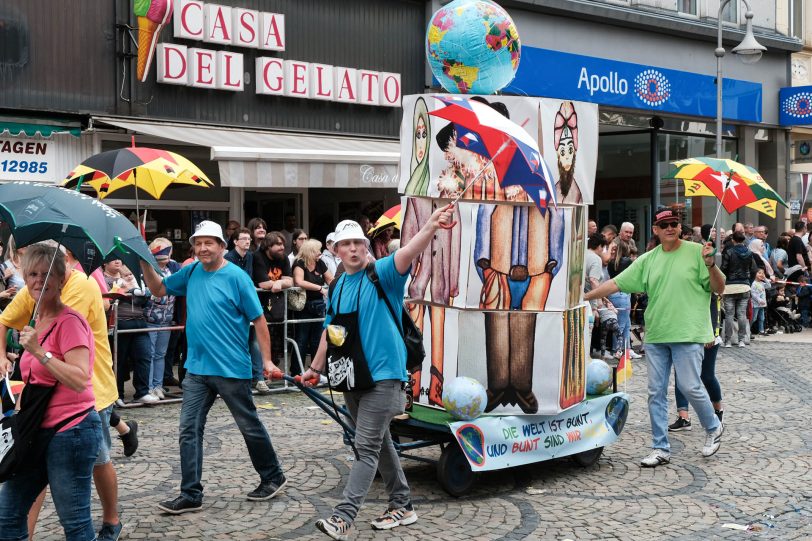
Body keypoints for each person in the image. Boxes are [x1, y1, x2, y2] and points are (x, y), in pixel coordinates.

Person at [302, 206, 455, 540]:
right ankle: (403, 504)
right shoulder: (339, 284)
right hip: (351, 376)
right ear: (335, 250)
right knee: (380, 442)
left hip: (384, 377)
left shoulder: (382, 274)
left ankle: (343, 517)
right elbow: (331, 331)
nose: (354, 249)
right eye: (347, 244)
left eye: (359, 242)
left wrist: (429, 226)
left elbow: (408, 252)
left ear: (366, 246)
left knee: (365, 448)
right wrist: (314, 368)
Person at [139, 221, 286, 514]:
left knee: (249, 426)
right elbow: (157, 288)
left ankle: (272, 476)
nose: (203, 248)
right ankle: (190, 493)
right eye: (199, 243)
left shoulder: (236, 277)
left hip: (231, 368)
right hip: (196, 369)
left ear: (221, 246)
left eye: (210, 243)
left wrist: (267, 361)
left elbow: (259, 320)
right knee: (188, 429)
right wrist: (144, 260)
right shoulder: (191, 271)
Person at [585, 207, 725, 467]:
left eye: (675, 223)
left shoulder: (699, 252)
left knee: (690, 385)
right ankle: (661, 448)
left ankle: (713, 426)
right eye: (665, 224)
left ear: (680, 228)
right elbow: (616, 283)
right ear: (656, 230)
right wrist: (583, 297)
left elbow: (719, 288)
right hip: (658, 334)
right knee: (655, 392)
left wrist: (711, 264)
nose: (671, 227)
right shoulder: (648, 259)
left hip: (689, 332)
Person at [0, 244, 102, 541]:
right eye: (32, 274)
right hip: (36, 430)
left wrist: (39, 352)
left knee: (75, 522)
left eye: (46, 274)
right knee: (7, 516)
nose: (37, 281)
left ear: (61, 280)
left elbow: (79, 378)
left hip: (71, 430)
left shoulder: (69, 322)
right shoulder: (35, 318)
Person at [668, 292, 724, 431]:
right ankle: (684, 417)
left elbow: (714, 307)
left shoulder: (708, 279)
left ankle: (718, 411)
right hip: (687, 333)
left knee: (707, 375)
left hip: (707, 334)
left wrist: (711, 333)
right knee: (680, 374)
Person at [106, 262, 156, 403]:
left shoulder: (134, 279)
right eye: (113, 259)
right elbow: (111, 298)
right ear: (105, 263)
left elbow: (143, 301)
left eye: (119, 260)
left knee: (144, 356)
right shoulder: (105, 280)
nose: (117, 262)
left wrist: (137, 292)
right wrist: (130, 292)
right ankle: (117, 395)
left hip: (139, 322)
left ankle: (142, 392)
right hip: (120, 323)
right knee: (119, 361)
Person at [252, 231, 294, 391]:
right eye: (278, 245)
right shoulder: (258, 257)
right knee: (258, 341)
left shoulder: (283, 258)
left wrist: (279, 284)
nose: (282, 247)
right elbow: (262, 283)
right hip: (260, 306)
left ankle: (271, 373)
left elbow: (290, 281)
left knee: (277, 342)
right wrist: (277, 283)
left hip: (276, 307)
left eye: (283, 244)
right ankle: (260, 376)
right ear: (268, 246)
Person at [292, 239, 333, 375]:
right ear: (310, 251)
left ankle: (317, 371)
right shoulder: (299, 263)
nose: (320, 253)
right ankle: (297, 371)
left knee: (317, 339)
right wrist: (320, 288)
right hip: (303, 305)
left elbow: (330, 279)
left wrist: (339, 285)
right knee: (302, 339)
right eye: (317, 250)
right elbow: (299, 281)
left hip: (318, 305)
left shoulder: (320, 263)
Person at [144, 238, 177, 399]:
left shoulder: (173, 267)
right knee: (149, 354)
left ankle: (158, 385)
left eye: (167, 250)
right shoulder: (149, 269)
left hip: (167, 318)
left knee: (160, 354)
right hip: (150, 318)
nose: (164, 255)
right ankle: (148, 387)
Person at [720, 231, 757, 348]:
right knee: (742, 314)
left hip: (730, 286)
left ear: (733, 240)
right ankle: (741, 340)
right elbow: (753, 270)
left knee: (729, 315)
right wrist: (748, 282)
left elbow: (724, 268)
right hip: (744, 286)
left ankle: (728, 341)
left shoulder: (729, 252)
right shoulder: (749, 253)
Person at [750, 268, 769, 335]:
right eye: (759, 273)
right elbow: (753, 294)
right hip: (756, 304)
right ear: (755, 274)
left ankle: (761, 331)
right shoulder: (754, 284)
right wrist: (759, 300)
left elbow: (769, 286)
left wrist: (765, 279)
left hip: (762, 305)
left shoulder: (762, 283)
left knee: (762, 318)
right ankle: (748, 329)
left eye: (763, 273)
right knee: (754, 318)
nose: (761, 274)